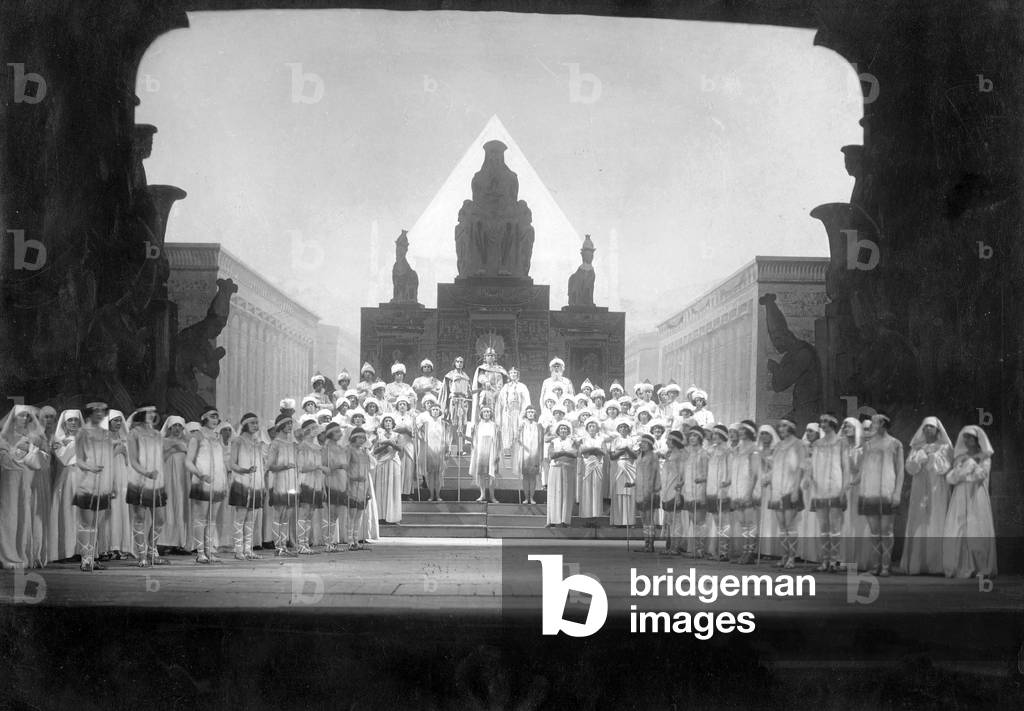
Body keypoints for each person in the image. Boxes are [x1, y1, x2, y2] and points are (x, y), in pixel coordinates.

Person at [850, 413, 904, 576]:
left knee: (886, 531)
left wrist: (897, 492)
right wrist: (854, 480)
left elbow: (900, 470)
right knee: (874, 531)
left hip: (887, 490)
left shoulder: (895, 444)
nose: (872, 425)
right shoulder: (868, 444)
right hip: (870, 490)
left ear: (882, 423)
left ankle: (886, 566)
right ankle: (875, 565)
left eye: (875, 422)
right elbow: (863, 467)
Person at [942, 425, 997, 578]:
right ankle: (960, 566)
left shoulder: (984, 458)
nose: (966, 440)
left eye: (970, 437)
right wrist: (965, 467)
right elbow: (951, 478)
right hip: (960, 496)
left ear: (977, 440)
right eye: (965, 437)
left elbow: (980, 476)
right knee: (958, 529)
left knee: (976, 529)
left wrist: (969, 465)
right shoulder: (960, 458)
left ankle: (981, 568)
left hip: (976, 495)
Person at [0, 405, 50, 569]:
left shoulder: (34, 437)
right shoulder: (4, 437)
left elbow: (45, 459)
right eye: (21, 416)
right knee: (10, 514)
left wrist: (29, 450)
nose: (25, 419)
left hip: (28, 480)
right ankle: (8, 554)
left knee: (25, 513)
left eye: (27, 417)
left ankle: (26, 552)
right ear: (13, 417)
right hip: (10, 481)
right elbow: (5, 459)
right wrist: (16, 450)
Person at [902, 416, 953, 575]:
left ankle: (937, 565)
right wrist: (920, 455)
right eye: (925, 427)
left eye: (930, 427)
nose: (927, 430)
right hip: (919, 489)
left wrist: (931, 456)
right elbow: (910, 468)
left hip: (937, 488)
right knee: (919, 521)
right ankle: (918, 564)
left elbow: (943, 467)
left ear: (938, 430)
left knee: (936, 520)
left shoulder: (944, 447)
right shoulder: (917, 447)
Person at [73, 402, 117, 572]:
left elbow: (110, 461)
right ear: (89, 413)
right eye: (96, 410)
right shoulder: (82, 432)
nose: (99, 413)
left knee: (96, 523)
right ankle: (85, 559)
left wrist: (112, 484)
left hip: (103, 483)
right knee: (86, 522)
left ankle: (91, 557)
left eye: (102, 411)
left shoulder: (107, 434)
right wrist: (90, 467)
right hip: (87, 482)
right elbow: (77, 458)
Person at [803, 415, 847, 572]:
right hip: (819, 488)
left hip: (836, 486)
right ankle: (825, 560)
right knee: (823, 526)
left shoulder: (841, 442)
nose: (822, 425)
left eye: (825, 422)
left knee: (835, 526)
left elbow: (845, 467)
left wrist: (844, 489)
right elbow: (811, 466)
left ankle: (834, 560)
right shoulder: (817, 444)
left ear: (833, 424)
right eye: (821, 422)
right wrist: (808, 478)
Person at [126, 406, 169, 567]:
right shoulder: (134, 433)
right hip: (139, 480)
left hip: (157, 482)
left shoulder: (157, 434)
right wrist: (146, 473)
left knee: (160, 518)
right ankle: (142, 555)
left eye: (153, 412)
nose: (152, 415)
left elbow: (160, 456)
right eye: (148, 412)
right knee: (139, 517)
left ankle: (152, 551)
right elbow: (133, 459)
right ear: (141, 413)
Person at [185, 409, 228, 564]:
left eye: (217, 416)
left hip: (217, 483)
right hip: (202, 482)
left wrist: (224, 481)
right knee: (201, 518)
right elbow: (188, 462)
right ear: (204, 418)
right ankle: (200, 552)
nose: (216, 419)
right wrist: (200, 474)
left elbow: (221, 461)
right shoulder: (197, 436)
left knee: (212, 519)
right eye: (212, 416)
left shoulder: (217, 437)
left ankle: (209, 550)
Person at [767, 419, 806, 569]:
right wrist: (767, 477)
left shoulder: (798, 444)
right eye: (780, 426)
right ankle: (784, 554)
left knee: (790, 525)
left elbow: (800, 468)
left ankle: (792, 557)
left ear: (790, 428)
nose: (781, 429)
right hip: (777, 489)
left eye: (784, 426)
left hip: (791, 488)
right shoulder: (778, 446)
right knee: (782, 526)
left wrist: (796, 489)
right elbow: (774, 467)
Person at [229, 412, 266, 560]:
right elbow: (232, 463)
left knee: (251, 519)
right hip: (241, 483)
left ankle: (248, 549)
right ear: (245, 424)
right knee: (240, 518)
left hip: (256, 484)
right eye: (252, 423)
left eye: (257, 423)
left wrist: (262, 484)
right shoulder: (237, 441)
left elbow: (261, 466)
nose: (255, 426)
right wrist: (244, 470)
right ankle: (238, 550)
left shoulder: (257, 443)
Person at [48, 409, 82, 563]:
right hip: (67, 479)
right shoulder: (57, 440)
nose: (73, 423)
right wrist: (75, 442)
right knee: (66, 513)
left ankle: (81, 550)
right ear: (64, 423)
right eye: (70, 420)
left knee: (81, 515)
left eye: (76, 420)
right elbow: (63, 458)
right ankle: (65, 551)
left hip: (83, 478)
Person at [99, 409, 131, 561]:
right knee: (109, 513)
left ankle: (121, 546)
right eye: (115, 420)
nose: (118, 423)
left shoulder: (124, 437)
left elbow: (128, 461)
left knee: (121, 510)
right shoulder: (103, 437)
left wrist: (124, 454)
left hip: (122, 478)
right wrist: (115, 451)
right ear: (108, 422)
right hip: (109, 477)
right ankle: (107, 547)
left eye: (120, 420)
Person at [729, 421, 761, 564]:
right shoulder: (737, 450)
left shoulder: (754, 450)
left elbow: (754, 474)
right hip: (737, 489)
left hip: (748, 489)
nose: (740, 432)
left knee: (750, 522)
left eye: (743, 430)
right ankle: (745, 551)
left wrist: (749, 492)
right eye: (739, 430)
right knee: (742, 522)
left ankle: (750, 553)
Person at [267, 414, 299, 557]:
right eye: (287, 424)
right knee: (278, 514)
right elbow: (270, 466)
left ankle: (284, 545)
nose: (290, 426)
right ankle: (277, 545)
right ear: (280, 426)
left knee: (287, 515)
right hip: (279, 482)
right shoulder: (275, 443)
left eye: (291, 423)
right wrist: (285, 466)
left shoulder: (291, 444)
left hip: (291, 482)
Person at [159, 415, 190, 553]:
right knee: (168, 506)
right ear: (169, 427)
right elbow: (159, 460)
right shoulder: (163, 441)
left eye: (180, 426)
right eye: (174, 426)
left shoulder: (187, 442)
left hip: (183, 479)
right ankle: (164, 542)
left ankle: (180, 542)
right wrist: (173, 449)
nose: (177, 429)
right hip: (167, 478)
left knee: (181, 505)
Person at [295, 418, 325, 554]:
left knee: (311, 513)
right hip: (306, 481)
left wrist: (323, 487)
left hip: (317, 482)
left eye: (315, 428)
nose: (315, 431)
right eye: (313, 428)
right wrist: (317, 466)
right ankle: (300, 543)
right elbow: (301, 467)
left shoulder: (318, 448)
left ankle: (306, 543)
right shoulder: (302, 446)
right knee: (304, 512)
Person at [681, 427, 709, 558]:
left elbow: (709, 473)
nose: (692, 438)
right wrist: (682, 483)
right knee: (693, 520)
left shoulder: (704, 454)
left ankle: (700, 549)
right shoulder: (688, 454)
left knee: (700, 521)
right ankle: (695, 548)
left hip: (700, 490)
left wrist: (702, 479)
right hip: (689, 491)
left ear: (700, 438)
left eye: (695, 436)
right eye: (690, 436)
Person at [705, 424, 732, 561]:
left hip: (722, 488)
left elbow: (731, 468)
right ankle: (719, 550)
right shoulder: (711, 450)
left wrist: (727, 481)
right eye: (713, 434)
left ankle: (724, 551)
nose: (714, 436)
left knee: (724, 521)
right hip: (711, 488)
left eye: (716, 434)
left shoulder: (728, 450)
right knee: (717, 520)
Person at [631, 433, 661, 552]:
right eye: (641, 443)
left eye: (645, 443)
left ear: (650, 444)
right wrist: (633, 482)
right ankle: (646, 542)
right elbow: (638, 473)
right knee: (644, 519)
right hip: (639, 490)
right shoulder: (639, 456)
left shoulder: (653, 457)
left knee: (649, 518)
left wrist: (656, 487)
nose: (642, 445)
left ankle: (651, 543)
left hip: (649, 490)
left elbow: (656, 473)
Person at [321, 421, 348, 552]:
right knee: (329, 513)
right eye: (336, 431)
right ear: (330, 433)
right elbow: (324, 467)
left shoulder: (341, 448)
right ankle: (327, 543)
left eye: (339, 431)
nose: (339, 434)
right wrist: (338, 466)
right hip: (331, 482)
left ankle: (331, 542)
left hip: (341, 483)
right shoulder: (326, 449)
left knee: (336, 514)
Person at [345, 427, 373, 550]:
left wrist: (368, 490)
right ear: (353, 437)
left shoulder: (364, 452)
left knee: (359, 513)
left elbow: (367, 471)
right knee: (351, 513)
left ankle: (356, 539)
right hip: (352, 483)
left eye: (363, 438)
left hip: (363, 484)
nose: (362, 440)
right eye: (360, 437)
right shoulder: (349, 450)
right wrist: (346, 485)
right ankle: (349, 540)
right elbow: (345, 468)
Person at [659, 430, 686, 556]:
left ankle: (676, 546)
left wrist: (679, 491)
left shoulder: (681, 455)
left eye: (669, 440)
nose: (667, 442)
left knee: (676, 520)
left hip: (675, 490)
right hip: (666, 490)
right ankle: (669, 545)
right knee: (669, 520)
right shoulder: (669, 454)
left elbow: (682, 474)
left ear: (675, 441)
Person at [373, 414, 403, 524]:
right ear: (383, 423)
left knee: (393, 489)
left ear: (393, 423)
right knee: (381, 489)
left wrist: (390, 442)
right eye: (386, 421)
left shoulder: (397, 435)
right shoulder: (379, 435)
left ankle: (393, 517)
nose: (388, 423)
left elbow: (400, 448)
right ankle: (381, 516)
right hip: (382, 463)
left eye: (390, 421)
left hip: (393, 462)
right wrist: (387, 444)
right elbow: (375, 451)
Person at [546, 422, 577, 528]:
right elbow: (552, 455)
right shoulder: (553, 442)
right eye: (561, 429)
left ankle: (565, 520)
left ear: (568, 431)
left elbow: (574, 454)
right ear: (558, 431)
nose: (563, 430)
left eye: (565, 429)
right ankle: (552, 520)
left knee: (566, 495)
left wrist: (560, 453)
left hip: (567, 469)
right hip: (555, 469)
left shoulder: (572, 441)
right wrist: (565, 453)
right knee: (554, 493)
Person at [439, 356, 472, 452]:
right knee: (453, 423)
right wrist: (444, 406)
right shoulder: (450, 375)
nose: (459, 363)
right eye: (457, 361)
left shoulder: (466, 376)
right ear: (454, 363)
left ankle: (460, 448)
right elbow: (445, 391)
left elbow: (469, 391)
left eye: (461, 362)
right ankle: (452, 448)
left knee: (463, 423)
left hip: (464, 401)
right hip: (453, 400)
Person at [578, 418, 607, 525]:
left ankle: (596, 517)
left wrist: (592, 450)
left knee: (597, 490)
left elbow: (603, 452)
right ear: (587, 428)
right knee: (587, 490)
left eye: (593, 426)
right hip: (587, 465)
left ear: (597, 428)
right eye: (589, 426)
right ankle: (587, 517)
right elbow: (582, 451)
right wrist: (595, 450)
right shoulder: (583, 439)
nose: (592, 428)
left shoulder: (601, 440)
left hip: (598, 465)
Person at [513, 405, 544, 505]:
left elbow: (541, 441)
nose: (530, 414)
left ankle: (532, 497)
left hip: (534, 453)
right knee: (526, 476)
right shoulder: (522, 425)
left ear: (534, 413)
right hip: (525, 453)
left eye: (532, 412)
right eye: (528, 412)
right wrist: (518, 431)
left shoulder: (538, 426)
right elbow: (517, 440)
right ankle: (526, 498)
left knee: (533, 477)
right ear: (526, 413)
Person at [469, 406, 501, 503]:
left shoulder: (495, 426)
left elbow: (498, 441)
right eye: (485, 412)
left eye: (488, 412)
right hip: (481, 451)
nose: (486, 414)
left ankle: (492, 496)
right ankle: (482, 494)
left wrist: (497, 454)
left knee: (491, 475)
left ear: (491, 413)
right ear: (481, 414)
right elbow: (474, 441)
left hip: (492, 450)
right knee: (482, 474)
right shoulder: (478, 426)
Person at [496, 366, 531, 457]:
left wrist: (524, 413)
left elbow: (526, 400)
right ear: (509, 375)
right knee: (507, 429)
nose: (513, 374)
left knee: (517, 428)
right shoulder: (506, 387)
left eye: (515, 373)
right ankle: (507, 449)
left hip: (518, 411)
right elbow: (500, 401)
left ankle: (517, 449)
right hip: (508, 411)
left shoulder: (522, 386)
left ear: (518, 375)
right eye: (511, 373)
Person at [609, 420, 638, 527]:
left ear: (628, 429)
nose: (623, 429)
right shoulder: (615, 441)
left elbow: (635, 455)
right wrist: (623, 450)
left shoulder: (633, 440)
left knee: (630, 492)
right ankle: (618, 521)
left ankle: (630, 522)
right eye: (621, 427)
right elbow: (612, 456)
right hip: (619, 465)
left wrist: (626, 450)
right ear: (618, 429)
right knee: (619, 492)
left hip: (630, 464)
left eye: (625, 427)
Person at [470, 347, 508, 428]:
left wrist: (497, 391)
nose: (490, 357)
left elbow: (500, 382)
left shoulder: (499, 369)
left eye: (492, 355)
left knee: (495, 412)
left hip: (496, 394)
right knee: (483, 410)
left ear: (495, 357)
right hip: (485, 392)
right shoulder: (482, 368)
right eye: (488, 355)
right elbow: (480, 377)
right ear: (485, 357)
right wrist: (485, 381)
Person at [419, 403, 448, 502]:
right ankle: (431, 495)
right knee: (430, 474)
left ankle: (438, 495)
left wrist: (446, 449)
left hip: (440, 450)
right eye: (433, 409)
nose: (435, 411)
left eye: (437, 409)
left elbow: (446, 438)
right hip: (429, 450)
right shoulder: (426, 423)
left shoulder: (443, 423)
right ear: (430, 412)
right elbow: (419, 433)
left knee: (439, 474)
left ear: (440, 411)